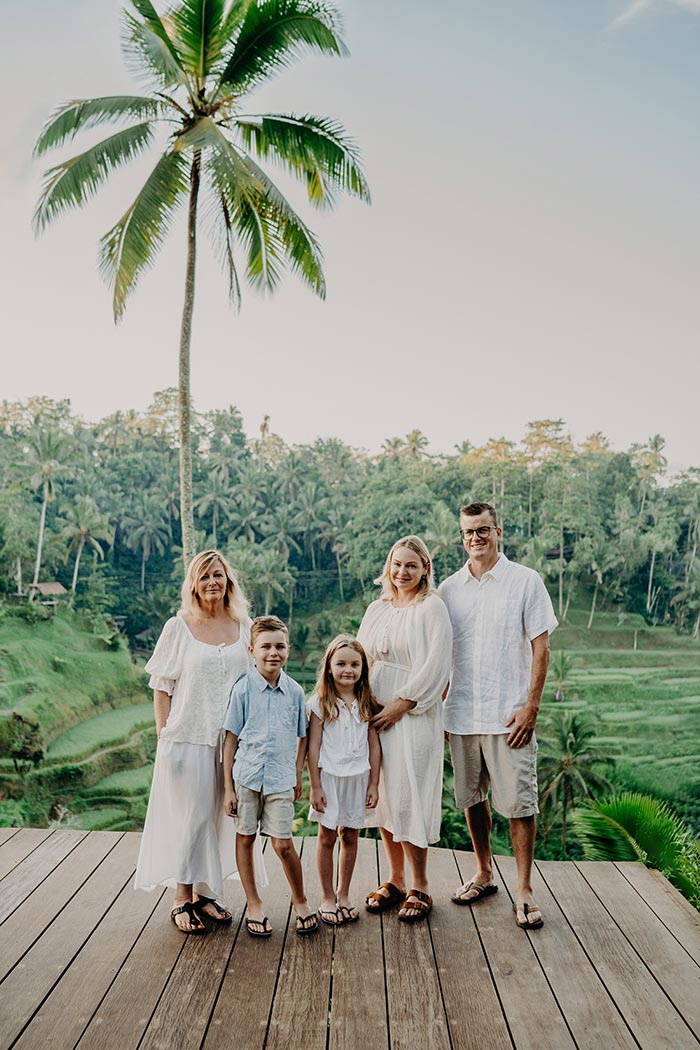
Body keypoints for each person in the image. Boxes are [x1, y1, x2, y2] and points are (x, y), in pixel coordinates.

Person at [438, 502, 558, 930]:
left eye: (483, 530)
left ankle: (524, 888)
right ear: (461, 536)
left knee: (519, 803)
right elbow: (441, 654)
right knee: (472, 798)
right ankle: (485, 872)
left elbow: (541, 648)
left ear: (498, 531)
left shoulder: (525, 581)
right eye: (468, 532)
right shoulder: (448, 589)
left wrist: (532, 706)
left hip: (510, 714)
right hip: (462, 713)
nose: (476, 538)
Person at [134, 550, 265, 934]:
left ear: (229, 581)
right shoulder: (179, 627)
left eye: (218, 575)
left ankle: (206, 894)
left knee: (221, 819)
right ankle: (182, 897)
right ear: (193, 583)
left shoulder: (245, 627)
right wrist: (163, 735)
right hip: (187, 738)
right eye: (204, 576)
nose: (212, 582)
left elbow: (260, 678)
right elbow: (161, 686)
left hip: (233, 742)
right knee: (191, 819)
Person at [358, 536, 453, 923]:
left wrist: (402, 704)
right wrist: (362, 701)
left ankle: (420, 885)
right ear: (388, 566)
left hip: (413, 715)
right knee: (385, 796)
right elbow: (360, 656)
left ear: (425, 569)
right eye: (397, 564)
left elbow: (437, 665)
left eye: (411, 565)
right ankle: (394, 879)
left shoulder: (432, 608)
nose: (402, 572)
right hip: (375, 714)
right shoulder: (377, 608)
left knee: (411, 793)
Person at [222, 615, 318, 937]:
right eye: (265, 646)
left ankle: (301, 901)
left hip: (280, 779)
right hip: (247, 777)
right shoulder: (243, 689)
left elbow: (303, 736)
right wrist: (227, 789)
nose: (272, 652)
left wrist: (298, 775)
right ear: (252, 650)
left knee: (283, 844)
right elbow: (231, 737)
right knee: (245, 837)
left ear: (288, 650)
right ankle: (254, 903)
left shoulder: (294, 692)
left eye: (279, 646)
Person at [308, 635, 381, 926]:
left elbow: (374, 745)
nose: (347, 670)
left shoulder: (367, 703)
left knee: (350, 836)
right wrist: (315, 785)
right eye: (341, 663)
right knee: (327, 837)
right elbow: (313, 747)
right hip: (330, 779)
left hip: (358, 778)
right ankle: (327, 897)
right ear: (329, 667)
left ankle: (344, 894)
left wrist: (374, 783)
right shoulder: (319, 703)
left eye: (354, 664)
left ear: (363, 668)